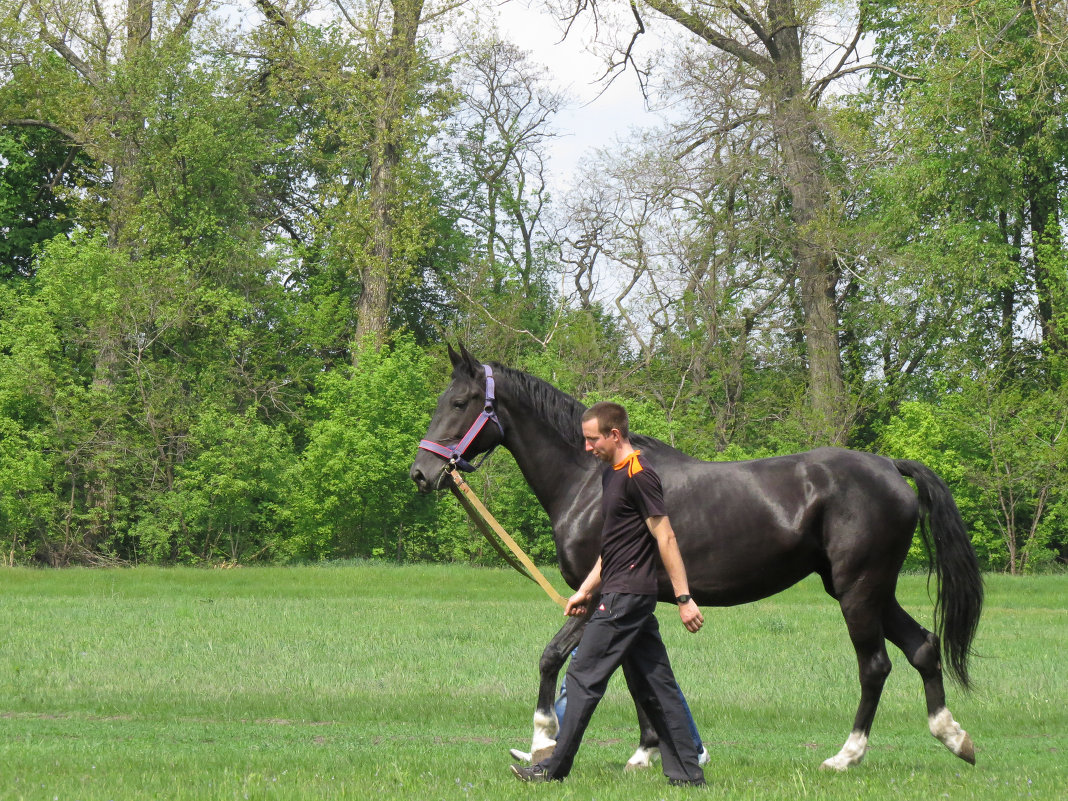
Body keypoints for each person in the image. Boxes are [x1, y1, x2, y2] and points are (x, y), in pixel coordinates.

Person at [510, 401, 706, 787]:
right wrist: (585, 589)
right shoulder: (610, 474)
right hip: (619, 591)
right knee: (656, 685)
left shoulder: (640, 474)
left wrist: (684, 599)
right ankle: (687, 775)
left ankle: (550, 770)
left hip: (627, 596)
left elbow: (664, 535)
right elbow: (612, 545)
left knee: (583, 676)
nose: (587, 448)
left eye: (592, 439)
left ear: (614, 435)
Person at [509, 646, 710, 767]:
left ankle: (695, 749)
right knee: (579, 673)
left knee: (657, 680)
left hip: (619, 607)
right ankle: (550, 748)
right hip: (608, 605)